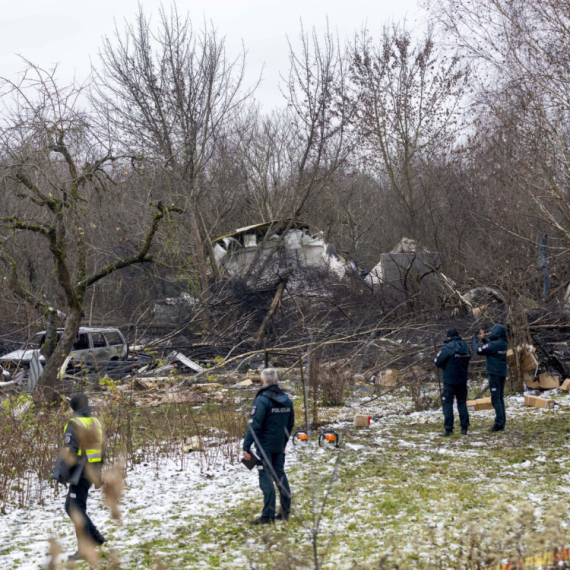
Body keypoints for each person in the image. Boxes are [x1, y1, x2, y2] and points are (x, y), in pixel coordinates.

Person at [52, 393, 106, 560]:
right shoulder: (95, 422)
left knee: (76, 509)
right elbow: (102, 449)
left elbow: (70, 452)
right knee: (71, 506)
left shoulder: (74, 423)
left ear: (73, 407)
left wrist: (60, 474)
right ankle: (96, 537)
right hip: (92, 471)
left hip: (80, 472)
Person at [243, 368, 295, 524]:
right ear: (277, 380)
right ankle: (285, 512)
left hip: (264, 446)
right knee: (280, 476)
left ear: (261, 381)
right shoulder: (287, 399)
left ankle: (268, 516)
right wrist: (284, 443)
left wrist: (246, 447)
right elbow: (290, 424)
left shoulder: (261, 400)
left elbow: (254, 425)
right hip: (279, 445)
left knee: (266, 479)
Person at [434, 328, 471, 436]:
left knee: (447, 403)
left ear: (448, 337)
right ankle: (464, 427)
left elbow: (438, 362)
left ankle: (448, 428)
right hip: (462, 379)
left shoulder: (448, 348)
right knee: (462, 403)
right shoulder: (466, 347)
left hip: (449, 381)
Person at [473, 324, 509, 432]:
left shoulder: (495, 344)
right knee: (500, 398)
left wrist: (475, 341)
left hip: (494, 373)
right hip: (501, 373)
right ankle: (501, 421)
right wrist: (483, 339)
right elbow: (491, 346)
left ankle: (499, 423)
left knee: (495, 398)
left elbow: (479, 350)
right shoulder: (503, 343)